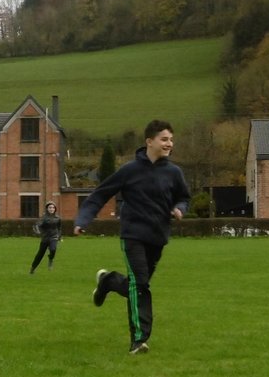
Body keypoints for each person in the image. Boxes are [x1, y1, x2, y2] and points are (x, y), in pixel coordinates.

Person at [74, 119, 191, 356]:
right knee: (140, 285)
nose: (170, 144)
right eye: (164, 139)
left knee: (137, 284)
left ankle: (107, 281)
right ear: (150, 141)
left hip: (158, 237)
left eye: (171, 140)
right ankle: (139, 340)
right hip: (133, 236)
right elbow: (101, 194)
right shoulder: (129, 171)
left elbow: (184, 197)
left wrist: (180, 208)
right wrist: (83, 219)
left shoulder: (174, 172)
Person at [29, 201, 61, 274]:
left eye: (53, 207)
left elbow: (59, 228)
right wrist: (37, 231)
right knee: (40, 254)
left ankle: (50, 259)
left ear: (55, 209)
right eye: (50, 207)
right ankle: (33, 268)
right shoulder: (44, 218)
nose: (51, 209)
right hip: (45, 238)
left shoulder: (58, 218)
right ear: (47, 209)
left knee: (53, 249)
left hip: (54, 237)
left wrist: (59, 236)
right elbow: (37, 225)